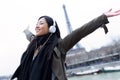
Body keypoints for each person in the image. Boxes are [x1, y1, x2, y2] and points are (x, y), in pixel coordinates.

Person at [11, 9, 120, 80]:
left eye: (41, 23)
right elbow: (30, 36)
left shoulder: (59, 46)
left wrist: (102, 18)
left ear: (51, 28)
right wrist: (26, 31)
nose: (37, 26)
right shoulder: (34, 43)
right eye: (36, 24)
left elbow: (79, 32)